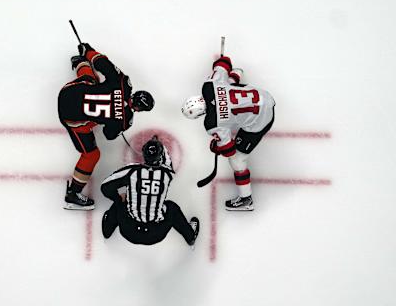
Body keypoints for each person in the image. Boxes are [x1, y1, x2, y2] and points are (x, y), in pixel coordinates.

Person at [58, 43, 154, 210]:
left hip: (67, 92)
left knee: (92, 80)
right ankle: (73, 194)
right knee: (92, 155)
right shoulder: (126, 120)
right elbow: (108, 134)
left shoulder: (123, 83)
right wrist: (115, 124)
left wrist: (88, 51)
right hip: (70, 117)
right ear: (139, 109)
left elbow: (103, 63)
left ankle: (79, 62)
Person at [181, 55, 275, 211]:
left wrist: (217, 147)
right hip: (264, 95)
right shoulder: (208, 85)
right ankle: (235, 76)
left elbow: (229, 150)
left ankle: (246, 200)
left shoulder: (212, 124)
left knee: (237, 160)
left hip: (262, 119)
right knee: (225, 84)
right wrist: (226, 68)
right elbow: (224, 63)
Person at [100, 136, 200, 247]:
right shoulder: (166, 174)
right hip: (156, 233)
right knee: (172, 208)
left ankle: (107, 231)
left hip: (129, 231)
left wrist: (119, 198)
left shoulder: (132, 171)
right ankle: (190, 237)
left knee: (120, 204)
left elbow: (105, 187)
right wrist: (159, 144)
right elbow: (168, 162)